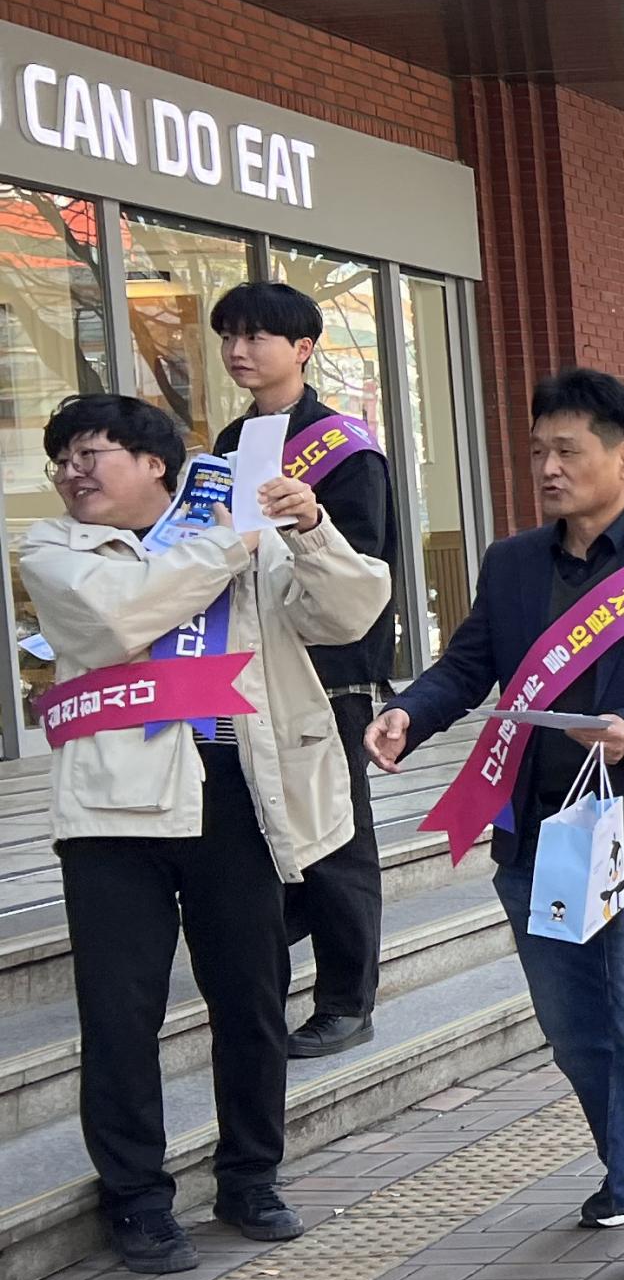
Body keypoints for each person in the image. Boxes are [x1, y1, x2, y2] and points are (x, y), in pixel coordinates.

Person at [370, 369, 624, 1280]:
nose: (546, 465)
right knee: (575, 1027)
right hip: (540, 832)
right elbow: (466, 667)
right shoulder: (511, 564)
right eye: (537, 449)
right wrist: (408, 717)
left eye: (567, 449)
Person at [24, 395, 388, 1271]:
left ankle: (250, 1178)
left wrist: (309, 529)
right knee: (120, 1016)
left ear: (156, 462)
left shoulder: (247, 533)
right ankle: (138, 1200)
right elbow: (118, 621)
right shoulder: (57, 549)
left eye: (92, 452)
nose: (74, 471)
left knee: (251, 1002)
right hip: (114, 810)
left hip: (236, 793)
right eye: (62, 459)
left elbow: (348, 615)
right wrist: (235, 543)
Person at [209, 281, 399, 1058]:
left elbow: (361, 566)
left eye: (256, 336)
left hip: (329, 671)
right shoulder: (228, 441)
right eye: (229, 336)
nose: (238, 350)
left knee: (336, 834)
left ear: (303, 349)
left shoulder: (344, 446)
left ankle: (346, 997)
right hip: (251, 668)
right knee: (264, 824)